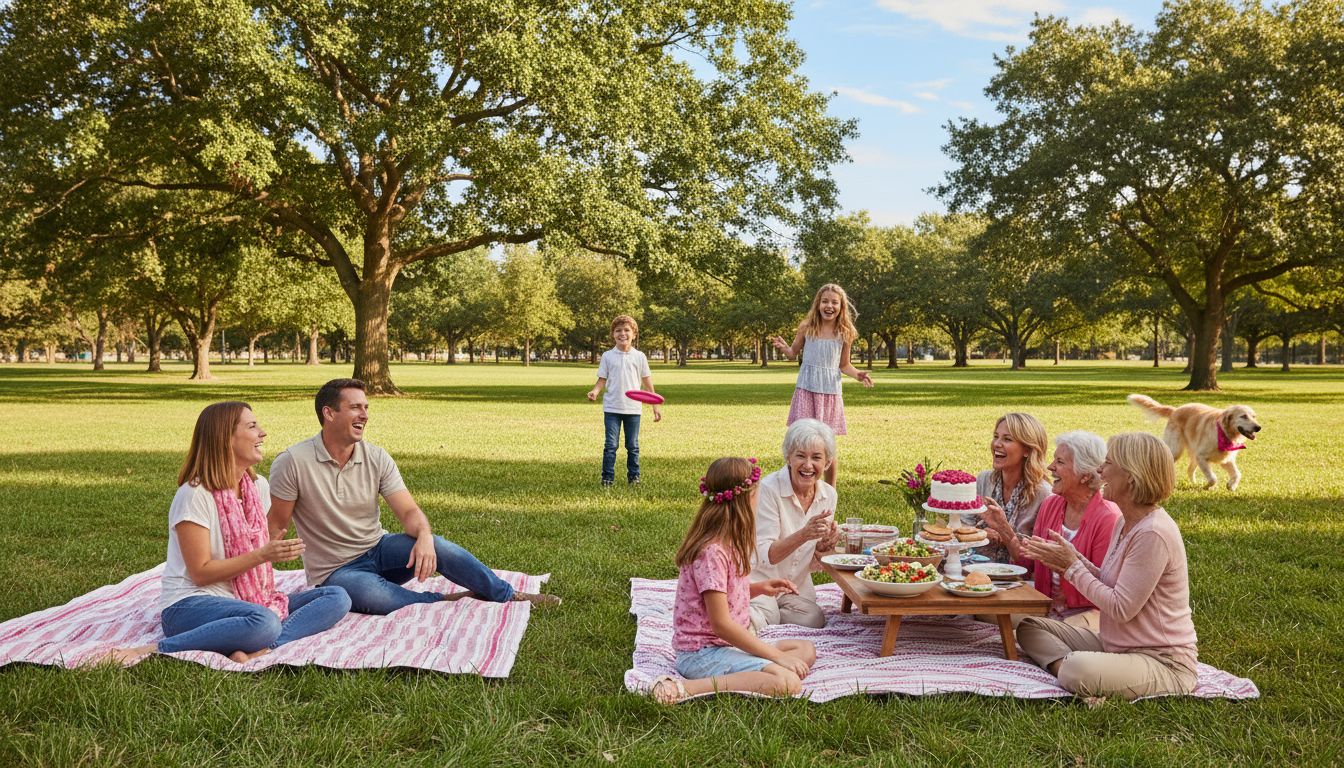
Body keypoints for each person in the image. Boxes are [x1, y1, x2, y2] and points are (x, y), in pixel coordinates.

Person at [267, 379, 559, 615]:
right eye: (355, 407)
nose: (365, 415)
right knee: (369, 594)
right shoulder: (293, 461)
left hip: (378, 549)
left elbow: (408, 512)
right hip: (336, 571)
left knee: (439, 546)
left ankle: (507, 595)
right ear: (329, 413)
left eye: (366, 407)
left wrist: (423, 537)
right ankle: (446, 600)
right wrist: (252, 574)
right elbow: (276, 526)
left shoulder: (376, 457)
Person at [108, 402, 350, 665]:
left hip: (247, 599)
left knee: (337, 597)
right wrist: (261, 555)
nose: (263, 433)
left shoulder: (258, 488)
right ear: (226, 438)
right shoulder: (194, 495)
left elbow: (263, 543)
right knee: (264, 620)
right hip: (189, 605)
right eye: (252, 426)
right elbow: (201, 572)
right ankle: (156, 648)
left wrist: (272, 549)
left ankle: (265, 646)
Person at [1018, 432, 1199, 700]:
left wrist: (1071, 568)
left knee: (1078, 667)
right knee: (1029, 627)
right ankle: (1078, 671)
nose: (1100, 470)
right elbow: (1109, 580)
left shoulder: (1153, 533)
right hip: (1115, 645)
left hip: (1163, 661)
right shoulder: (1125, 522)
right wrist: (1075, 558)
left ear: (1131, 476)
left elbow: (1120, 607)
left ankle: (1077, 673)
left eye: (1109, 463)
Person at [647, 457, 817, 704]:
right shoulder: (712, 552)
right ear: (746, 500)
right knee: (787, 682)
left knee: (805, 651)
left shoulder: (729, 542)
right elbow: (721, 624)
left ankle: (755, 666)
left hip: (728, 645)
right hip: (702, 654)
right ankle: (689, 687)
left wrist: (759, 589)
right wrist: (775, 657)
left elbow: (721, 595)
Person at [993, 431, 1120, 631]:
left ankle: (1045, 639)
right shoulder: (1051, 504)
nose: (1050, 467)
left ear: (1085, 475)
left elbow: (1105, 588)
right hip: (1045, 606)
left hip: (1088, 614)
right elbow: (1028, 565)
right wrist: (1005, 530)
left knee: (1034, 633)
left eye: (1059, 462)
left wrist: (1067, 566)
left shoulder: (1108, 518)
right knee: (985, 609)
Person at [771, 283, 874, 486]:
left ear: (841, 306)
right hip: (806, 390)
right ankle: (793, 485)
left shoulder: (845, 332)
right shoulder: (807, 327)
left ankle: (830, 491)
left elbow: (844, 365)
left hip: (829, 394)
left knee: (827, 444)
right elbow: (793, 354)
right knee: (799, 439)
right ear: (818, 304)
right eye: (825, 301)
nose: (829, 306)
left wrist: (858, 375)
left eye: (834, 302)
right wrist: (784, 348)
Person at [748, 419, 843, 630]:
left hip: (794, 587)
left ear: (827, 463)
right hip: (758, 581)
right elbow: (767, 556)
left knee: (813, 619)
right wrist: (804, 534)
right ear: (788, 457)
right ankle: (749, 608)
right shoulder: (768, 490)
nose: (808, 465)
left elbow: (814, 559)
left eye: (816, 458)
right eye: (800, 456)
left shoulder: (828, 495)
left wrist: (824, 548)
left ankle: (760, 614)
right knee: (766, 614)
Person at [587, 314, 661, 487]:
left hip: (633, 409)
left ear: (634, 334)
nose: (623, 334)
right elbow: (602, 379)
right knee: (611, 445)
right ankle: (607, 478)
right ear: (613, 334)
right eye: (618, 330)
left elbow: (647, 383)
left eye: (627, 330)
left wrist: (655, 405)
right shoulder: (607, 356)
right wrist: (595, 391)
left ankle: (634, 477)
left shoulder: (640, 356)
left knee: (632, 446)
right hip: (612, 407)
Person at [976, 412, 1052, 563]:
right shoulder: (984, 480)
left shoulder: (1043, 494)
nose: (996, 444)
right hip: (974, 571)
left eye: (1007, 439)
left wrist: (1004, 533)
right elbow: (961, 529)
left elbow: (1038, 561)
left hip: (1019, 579)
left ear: (1027, 450)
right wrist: (979, 534)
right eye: (996, 436)